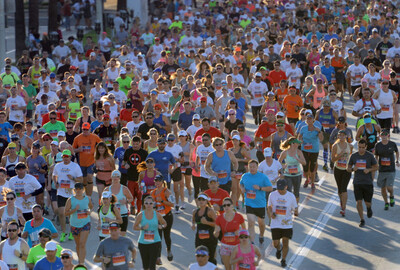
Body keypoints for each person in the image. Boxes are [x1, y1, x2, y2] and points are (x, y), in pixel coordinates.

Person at [52, 149, 83, 242]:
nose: (65, 159)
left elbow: (81, 179)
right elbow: (54, 175)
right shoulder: (58, 166)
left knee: (71, 214)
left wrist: (73, 178)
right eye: (64, 157)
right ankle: (63, 232)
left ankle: (71, 232)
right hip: (61, 193)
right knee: (61, 213)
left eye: (67, 157)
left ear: (70, 157)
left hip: (71, 193)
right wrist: (56, 183)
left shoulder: (75, 166)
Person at [347, 139, 379, 227]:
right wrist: (353, 169)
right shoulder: (353, 156)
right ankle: (362, 219)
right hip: (357, 182)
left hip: (368, 182)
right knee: (359, 202)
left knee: (367, 202)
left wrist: (369, 170)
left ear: (366, 147)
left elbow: (376, 167)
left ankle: (369, 208)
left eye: (362, 148)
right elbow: (348, 168)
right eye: (359, 147)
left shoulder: (370, 156)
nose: (361, 149)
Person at [267, 179, 299, 267]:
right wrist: (271, 213)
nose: (280, 191)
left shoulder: (291, 196)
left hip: (287, 223)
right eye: (279, 189)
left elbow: (295, 209)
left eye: (282, 189)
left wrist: (296, 212)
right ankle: (278, 249)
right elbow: (269, 206)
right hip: (275, 223)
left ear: (286, 187)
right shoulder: (272, 195)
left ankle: (283, 260)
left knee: (286, 242)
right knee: (275, 243)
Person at [239, 160, 272, 244]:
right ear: (248, 167)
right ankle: (252, 241)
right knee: (251, 223)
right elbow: (241, 183)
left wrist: (260, 188)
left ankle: (261, 235)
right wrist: (242, 188)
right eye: (250, 167)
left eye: (254, 167)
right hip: (249, 203)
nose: (252, 168)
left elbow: (270, 188)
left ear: (257, 167)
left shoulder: (263, 177)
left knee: (261, 223)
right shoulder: (245, 176)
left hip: (260, 204)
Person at [133, 195, 167, 270]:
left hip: (155, 242)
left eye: (150, 203)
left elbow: (165, 223)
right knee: (145, 266)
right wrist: (142, 228)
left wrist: (162, 227)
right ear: (144, 204)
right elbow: (134, 227)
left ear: (153, 204)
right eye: (146, 203)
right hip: (143, 243)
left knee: (152, 266)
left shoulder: (157, 215)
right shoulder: (140, 215)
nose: (148, 205)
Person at [64, 182, 93, 264]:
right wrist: (74, 210)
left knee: (82, 244)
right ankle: (80, 260)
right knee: (78, 245)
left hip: (85, 223)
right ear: (74, 190)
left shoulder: (87, 198)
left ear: (83, 190)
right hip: (74, 224)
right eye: (77, 189)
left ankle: (81, 263)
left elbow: (91, 207)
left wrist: (89, 212)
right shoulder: (71, 200)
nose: (78, 191)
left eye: (80, 189)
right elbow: (65, 213)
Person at [214, 197, 246, 270]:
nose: (226, 207)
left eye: (228, 205)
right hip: (225, 246)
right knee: (228, 268)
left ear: (232, 205)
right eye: (224, 205)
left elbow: (245, 231)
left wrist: (240, 232)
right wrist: (217, 231)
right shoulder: (219, 218)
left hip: (236, 246)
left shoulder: (239, 217)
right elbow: (215, 235)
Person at [72, 122, 102, 196]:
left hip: (91, 162)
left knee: (90, 178)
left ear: (90, 129)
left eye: (87, 129)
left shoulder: (94, 137)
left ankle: (89, 196)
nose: (85, 131)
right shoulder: (77, 138)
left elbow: (102, 145)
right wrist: (78, 149)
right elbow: (72, 149)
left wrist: (97, 153)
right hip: (81, 163)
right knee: (84, 180)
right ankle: (85, 195)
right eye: (84, 130)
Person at [150, 175, 174, 264]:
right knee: (158, 237)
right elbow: (151, 205)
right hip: (158, 217)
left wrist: (162, 201)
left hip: (167, 216)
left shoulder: (166, 191)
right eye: (156, 181)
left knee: (167, 235)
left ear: (162, 182)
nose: (157, 183)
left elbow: (172, 204)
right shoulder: (152, 193)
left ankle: (169, 250)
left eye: (159, 181)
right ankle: (158, 257)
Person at [122, 135, 148, 214]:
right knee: (131, 195)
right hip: (130, 177)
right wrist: (125, 165)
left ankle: (139, 212)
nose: (135, 146)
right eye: (134, 144)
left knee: (140, 196)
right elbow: (124, 161)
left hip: (140, 178)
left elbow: (147, 164)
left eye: (137, 144)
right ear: (131, 143)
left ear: (140, 143)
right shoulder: (128, 151)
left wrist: (141, 168)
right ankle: (132, 205)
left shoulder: (144, 152)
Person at [374, 130, 399, 210]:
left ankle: (391, 196)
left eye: (385, 135)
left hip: (391, 169)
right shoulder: (377, 145)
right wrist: (376, 164)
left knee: (389, 187)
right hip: (381, 169)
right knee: (383, 188)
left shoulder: (392, 144)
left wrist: (397, 160)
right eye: (382, 135)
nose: (384, 136)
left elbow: (397, 152)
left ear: (388, 135)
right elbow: (376, 156)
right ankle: (386, 202)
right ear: (380, 136)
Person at [104, 170, 133, 236]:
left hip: (123, 214)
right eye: (114, 176)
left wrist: (126, 201)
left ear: (119, 178)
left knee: (122, 235)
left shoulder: (124, 188)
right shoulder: (107, 189)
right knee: (111, 235)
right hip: (112, 215)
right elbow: (102, 202)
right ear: (111, 178)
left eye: (117, 177)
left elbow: (131, 198)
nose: (115, 178)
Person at [191, 193, 218, 265]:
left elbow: (218, 223)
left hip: (210, 239)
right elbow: (193, 219)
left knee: (210, 259)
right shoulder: (195, 211)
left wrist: (207, 222)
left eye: (203, 199)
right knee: (200, 258)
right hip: (199, 239)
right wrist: (193, 224)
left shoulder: (210, 211)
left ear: (207, 201)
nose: (201, 201)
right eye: (199, 199)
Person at [331, 130, 353, 217]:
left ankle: (343, 207)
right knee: (340, 189)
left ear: (346, 137)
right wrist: (340, 154)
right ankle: (341, 202)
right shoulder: (335, 146)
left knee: (344, 188)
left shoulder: (350, 146)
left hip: (346, 169)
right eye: (340, 135)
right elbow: (333, 159)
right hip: (338, 169)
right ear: (338, 137)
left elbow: (350, 156)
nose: (342, 137)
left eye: (343, 135)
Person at [298, 114, 323, 189]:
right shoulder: (303, 128)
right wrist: (301, 141)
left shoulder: (317, 128)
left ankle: (312, 182)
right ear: (306, 120)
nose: (309, 120)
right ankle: (307, 179)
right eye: (307, 119)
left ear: (313, 120)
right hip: (305, 149)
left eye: (310, 119)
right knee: (305, 166)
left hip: (314, 150)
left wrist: (319, 132)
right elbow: (299, 136)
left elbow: (321, 139)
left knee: (312, 167)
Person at [278, 137, 306, 203]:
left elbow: (304, 163)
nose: (298, 145)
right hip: (288, 175)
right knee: (288, 191)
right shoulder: (285, 153)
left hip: (297, 175)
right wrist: (283, 166)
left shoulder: (299, 152)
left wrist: (298, 159)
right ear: (292, 144)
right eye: (297, 143)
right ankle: (289, 207)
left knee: (296, 192)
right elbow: (278, 163)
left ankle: (296, 207)